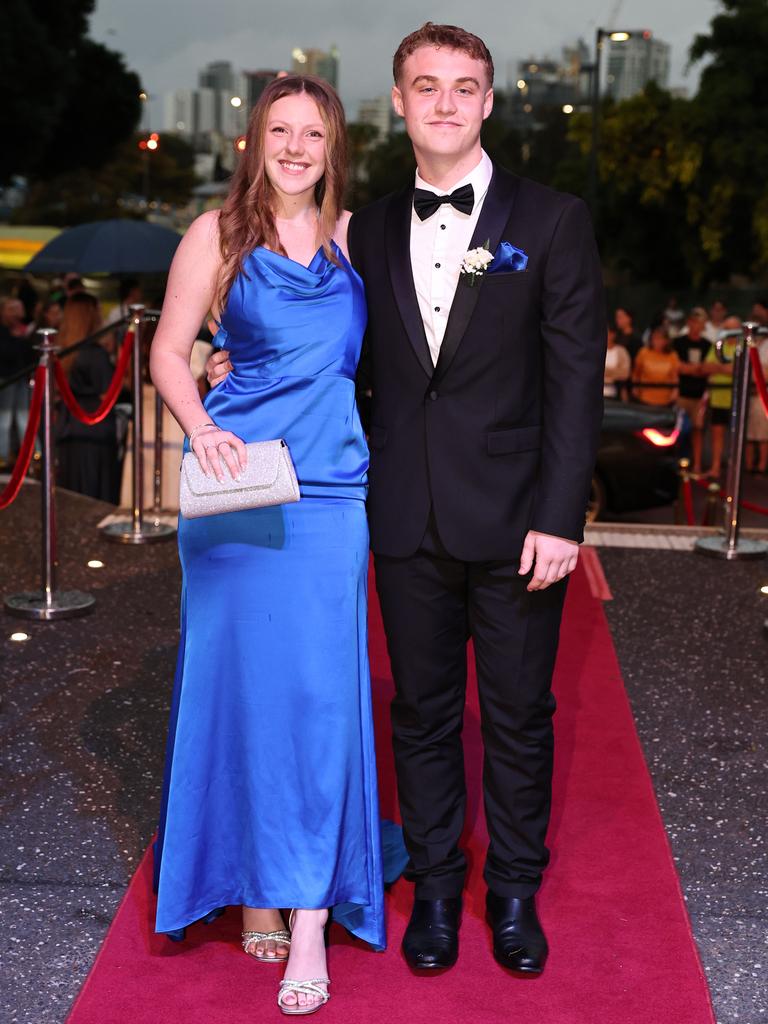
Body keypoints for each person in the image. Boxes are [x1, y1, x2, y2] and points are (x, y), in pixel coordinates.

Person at [208, 22, 606, 979]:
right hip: (398, 517)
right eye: (424, 86)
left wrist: (560, 516)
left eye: (463, 87)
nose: (443, 103)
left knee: (518, 714)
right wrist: (238, 369)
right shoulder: (369, 228)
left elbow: (574, 381)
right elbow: (341, 361)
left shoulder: (552, 219)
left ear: (488, 101)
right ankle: (433, 888)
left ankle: (512, 892)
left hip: (519, 522)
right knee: (420, 715)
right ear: (397, 102)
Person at [150, 75, 392, 1016]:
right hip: (238, 491)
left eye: (314, 133)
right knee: (242, 694)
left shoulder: (353, 239)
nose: (296, 147)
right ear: (254, 140)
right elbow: (173, 348)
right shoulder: (215, 236)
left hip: (331, 495)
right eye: (280, 131)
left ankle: (308, 922)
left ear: (335, 146)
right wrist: (200, 417)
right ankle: (254, 881)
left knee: (322, 698)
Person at [55, 293, 121, 503]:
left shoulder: (63, 351)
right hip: (94, 427)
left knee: (72, 493)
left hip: (69, 426)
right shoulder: (94, 354)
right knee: (93, 494)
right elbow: (108, 393)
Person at [701, 314, 741, 479]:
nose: (729, 332)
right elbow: (706, 367)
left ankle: (735, 470)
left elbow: (740, 368)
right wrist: (727, 368)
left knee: (736, 436)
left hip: (737, 398)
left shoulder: (742, 347)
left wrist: (720, 368)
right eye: (726, 329)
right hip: (718, 397)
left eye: (732, 329)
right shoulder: (718, 346)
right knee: (716, 434)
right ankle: (715, 467)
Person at [674, 307, 710, 474]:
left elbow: (708, 367)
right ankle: (677, 461)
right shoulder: (678, 342)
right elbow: (678, 366)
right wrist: (694, 369)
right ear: (689, 322)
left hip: (699, 394)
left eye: (700, 322)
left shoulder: (707, 345)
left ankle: (696, 464)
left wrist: (695, 368)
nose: (696, 325)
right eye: (694, 321)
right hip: (682, 393)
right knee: (679, 429)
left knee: (697, 429)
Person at [0, 297, 35, 469]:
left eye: (17, 309)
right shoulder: (4, 332)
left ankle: (33, 456)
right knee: (4, 419)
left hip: (22, 378)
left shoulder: (25, 331)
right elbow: (6, 354)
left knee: (25, 418)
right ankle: (3, 457)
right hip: (6, 379)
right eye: (10, 309)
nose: (14, 313)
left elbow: (30, 356)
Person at [632, 322, 679, 406]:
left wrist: (675, 391)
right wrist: (635, 387)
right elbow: (636, 373)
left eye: (660, 339)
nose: (657, 341)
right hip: (645, 397)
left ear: (666, 341)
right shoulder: (643, 352)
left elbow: (674, 376)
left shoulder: (672, 355)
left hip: (665, 398)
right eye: (655, 338)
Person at [746, 300, 768, 474]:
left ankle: (761, 466)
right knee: (749, 432)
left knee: (762, 433)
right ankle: (748, 465)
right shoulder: (753, 342)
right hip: (750, 393)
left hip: (763, 395)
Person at [604, 324, 631, 400]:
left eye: (610, 333)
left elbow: (625, 373)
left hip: (614, 394)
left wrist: (605, 371)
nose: (608, 335)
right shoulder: (594, 350)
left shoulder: (621, 351)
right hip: (594, 393)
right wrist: (613, 372)